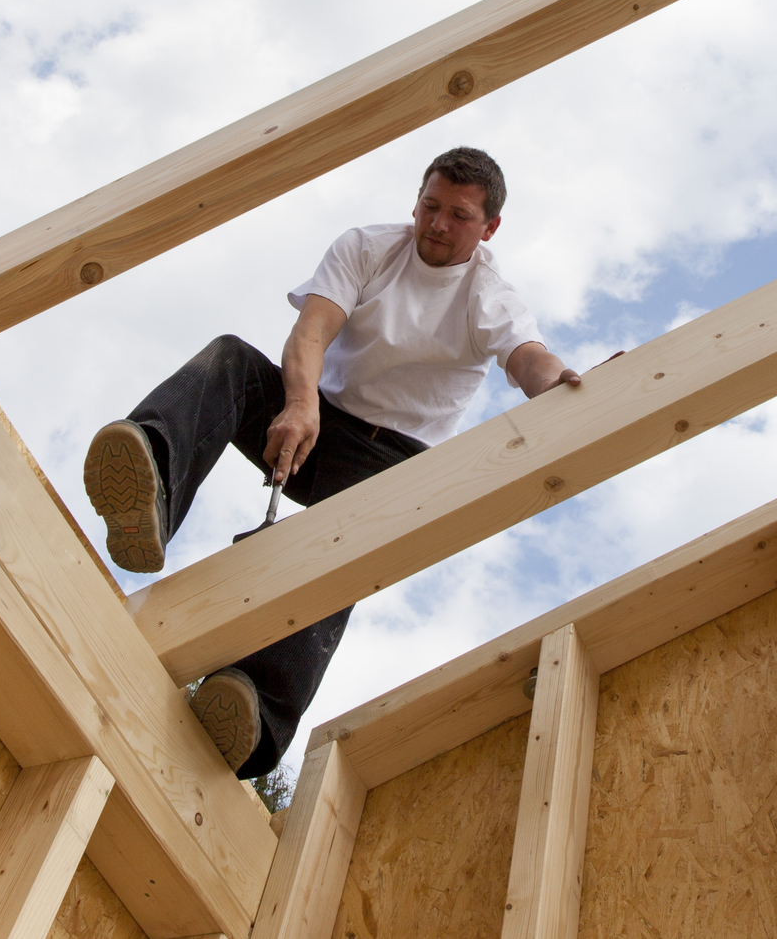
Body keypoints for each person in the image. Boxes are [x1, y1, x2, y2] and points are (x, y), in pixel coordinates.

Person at [81, 146, 581, 777]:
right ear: (416, 200)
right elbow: (313, 330)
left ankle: (253, 710)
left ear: (488, 229)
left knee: (335, 548)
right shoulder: (369, 247)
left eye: (457, 217)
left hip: (393, 463)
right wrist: (297, 403)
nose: (437, 225)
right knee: (231, 361)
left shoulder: (490, 294)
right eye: (430, 207)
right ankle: (149, 489)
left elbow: (527, 358)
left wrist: (562, 383)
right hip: (317, 416)